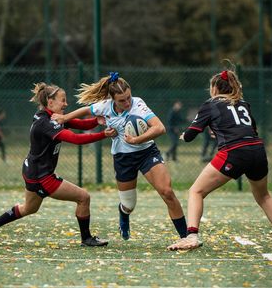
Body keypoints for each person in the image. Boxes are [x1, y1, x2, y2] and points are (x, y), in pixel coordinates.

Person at [168, 67, 272, 252]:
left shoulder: (211, 104)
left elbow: (190, 135)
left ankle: (192, 236)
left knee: (196, 191)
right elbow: (248, 129)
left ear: (214, 89)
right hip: (257, 150)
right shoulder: (243, 103)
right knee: (264, 196)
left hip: (234, 152)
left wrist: (183, 136)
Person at [51, 72, 187, 241]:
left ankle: (185, 236)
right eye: (122, 100)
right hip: (123, 158)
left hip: (146, 153)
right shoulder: (105, 106)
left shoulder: (138, 104)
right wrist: (64, 117)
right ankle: (123, 214)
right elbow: (86, 109)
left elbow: (159, 128)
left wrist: (137, 140)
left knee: (167, 192)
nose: (127, 102)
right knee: (129, 205)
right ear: (112, 99)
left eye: (128, 97)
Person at [0, 83, 117, 247]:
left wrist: (97, 120)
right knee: (83, 197)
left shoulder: (52, 117)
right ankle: (86, 239)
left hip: (32, 171)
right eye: (63, 100)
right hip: (42, 177)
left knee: (28, 209)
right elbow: (76, 139)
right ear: (50, 103)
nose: (66, 104)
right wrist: (104, 134)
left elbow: (80, 124)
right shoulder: (46, 123)